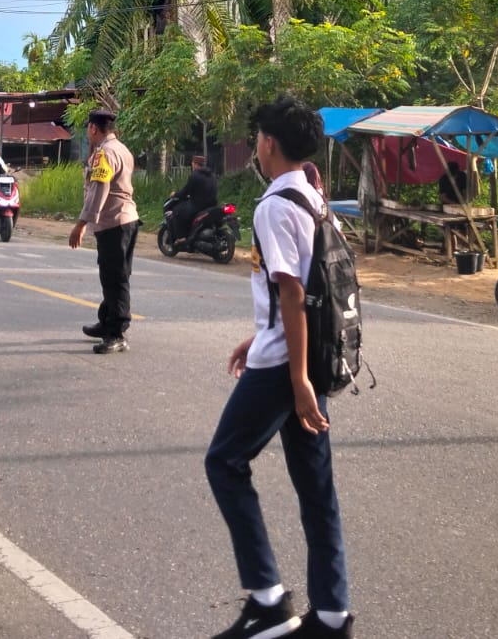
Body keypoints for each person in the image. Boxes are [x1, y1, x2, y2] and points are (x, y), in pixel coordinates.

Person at [205, 95, 352, 639]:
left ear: (268, 143)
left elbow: (292, 292)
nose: (256, 147)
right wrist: (261, 335)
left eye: (257, 138)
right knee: (316, 490)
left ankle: (268, 602)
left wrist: (297, 381)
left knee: (224, 462)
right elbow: (309, 289)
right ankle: (332, 616)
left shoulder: (273, 205)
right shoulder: (314, 198)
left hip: (288, 367)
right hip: (307, 353)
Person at [67, 109, 138, 354]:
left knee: (114, 278)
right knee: (116, 275)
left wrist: (82, 223)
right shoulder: (122, 149)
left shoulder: (104, 154)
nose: (88, 133)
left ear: (93, 128)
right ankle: (106, 321)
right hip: (127, 219)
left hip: (113, 222)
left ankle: (116, 333)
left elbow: (99, 189)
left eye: (88, 128)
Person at [169, 154, 218, 239]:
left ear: (195, 164)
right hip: (212, 204)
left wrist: (175, 194)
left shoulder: (195, 175)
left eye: (192, 163)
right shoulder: (212, 175)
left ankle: (181, 237)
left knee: (177, 211)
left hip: (198, 205)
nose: (192, 165)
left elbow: (185, 191)